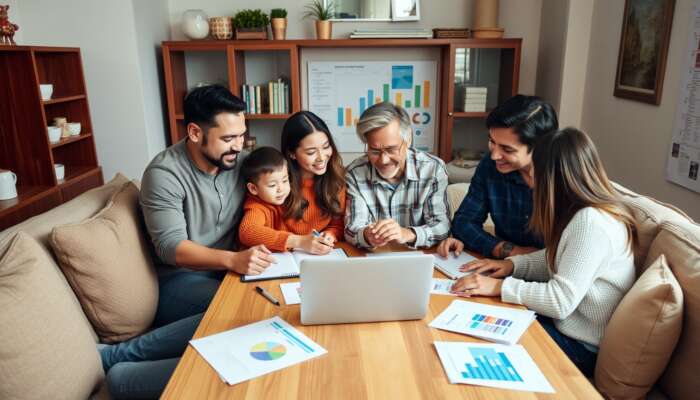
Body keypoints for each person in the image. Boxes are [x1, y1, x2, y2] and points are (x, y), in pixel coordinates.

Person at [100, 85, 276, 398]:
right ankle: (119, 362)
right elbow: (171, 248)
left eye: (241, 135)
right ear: (195, 132)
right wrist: (232, 260)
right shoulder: (164, 173)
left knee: (267, 312)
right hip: (178, 279)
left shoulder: (237, 163)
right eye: (227, 139)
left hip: (227, 272)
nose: (239, 146)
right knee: (243, 313)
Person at [450, 128, 637, 377]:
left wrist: (498, 287)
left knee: (473, 341)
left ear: (552, 177)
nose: (527, 178)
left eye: (532, 171)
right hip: (562, 327)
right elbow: (558, 257)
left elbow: (560, 301)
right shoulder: (582, 212)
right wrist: (512, 265)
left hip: (579, 345)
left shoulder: (592, 224)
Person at [438, 95, 558, 260]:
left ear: (540, 148)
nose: (494, 155)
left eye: (507, 150)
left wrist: (528, 260)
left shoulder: (566, 177)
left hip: (552, 275)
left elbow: (575, 251)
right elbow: (463, 223)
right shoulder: (490, 166)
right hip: (503, 266)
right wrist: (508, 251)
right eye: (492, 142)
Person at [344, 102, 450, 249]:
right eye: (374, 151)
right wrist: (366, 235)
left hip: (420, 260)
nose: (383, 160)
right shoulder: (355, 173)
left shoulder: (433, 169)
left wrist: (407, 234)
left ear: (408, 140)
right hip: (374, 261)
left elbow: (442, 226)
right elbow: (352, 228)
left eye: (391, 149)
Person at [238, 146, 339, 254]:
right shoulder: (256, 206)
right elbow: (247, 231)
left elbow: (335, 225)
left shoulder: (291, 195)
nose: (281, 189)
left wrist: (329, 234)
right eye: (272, 185)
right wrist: (299, 241)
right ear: (253, 188)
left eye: (285, 180)